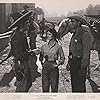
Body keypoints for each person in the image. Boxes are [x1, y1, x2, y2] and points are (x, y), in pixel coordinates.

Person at [9, 11, 38, 92]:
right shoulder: (17, 37)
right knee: (21, 89)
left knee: (27, 85)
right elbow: (19, 55)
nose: (28, 24)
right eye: (26, 22)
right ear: (21, 24)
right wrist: (32, 52)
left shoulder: (21, 34)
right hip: (21, 66)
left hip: (24, 65)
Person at [66, 15, 91, 92]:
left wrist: (83, 68)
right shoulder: (74, 34)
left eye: (73, 21)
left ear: (78, 23)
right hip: (73, 63)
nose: (70, 23)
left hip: (80, 63)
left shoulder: (85, 34)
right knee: (74, 85)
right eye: (70, 21)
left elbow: (86, 54)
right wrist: (69, 62)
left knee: (80, 87)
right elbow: (71, 50)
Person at [39, 28, 65, 92]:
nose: (47, 36)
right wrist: (43, 63)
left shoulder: (58, 47)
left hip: (54, 67)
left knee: (54, 87)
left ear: (53, 35)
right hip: (45, 67)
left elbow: (62, 58)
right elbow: (41, 57)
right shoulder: (44, 46)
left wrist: (57, 64)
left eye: (49, 34)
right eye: (47, 34)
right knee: (45, 87)